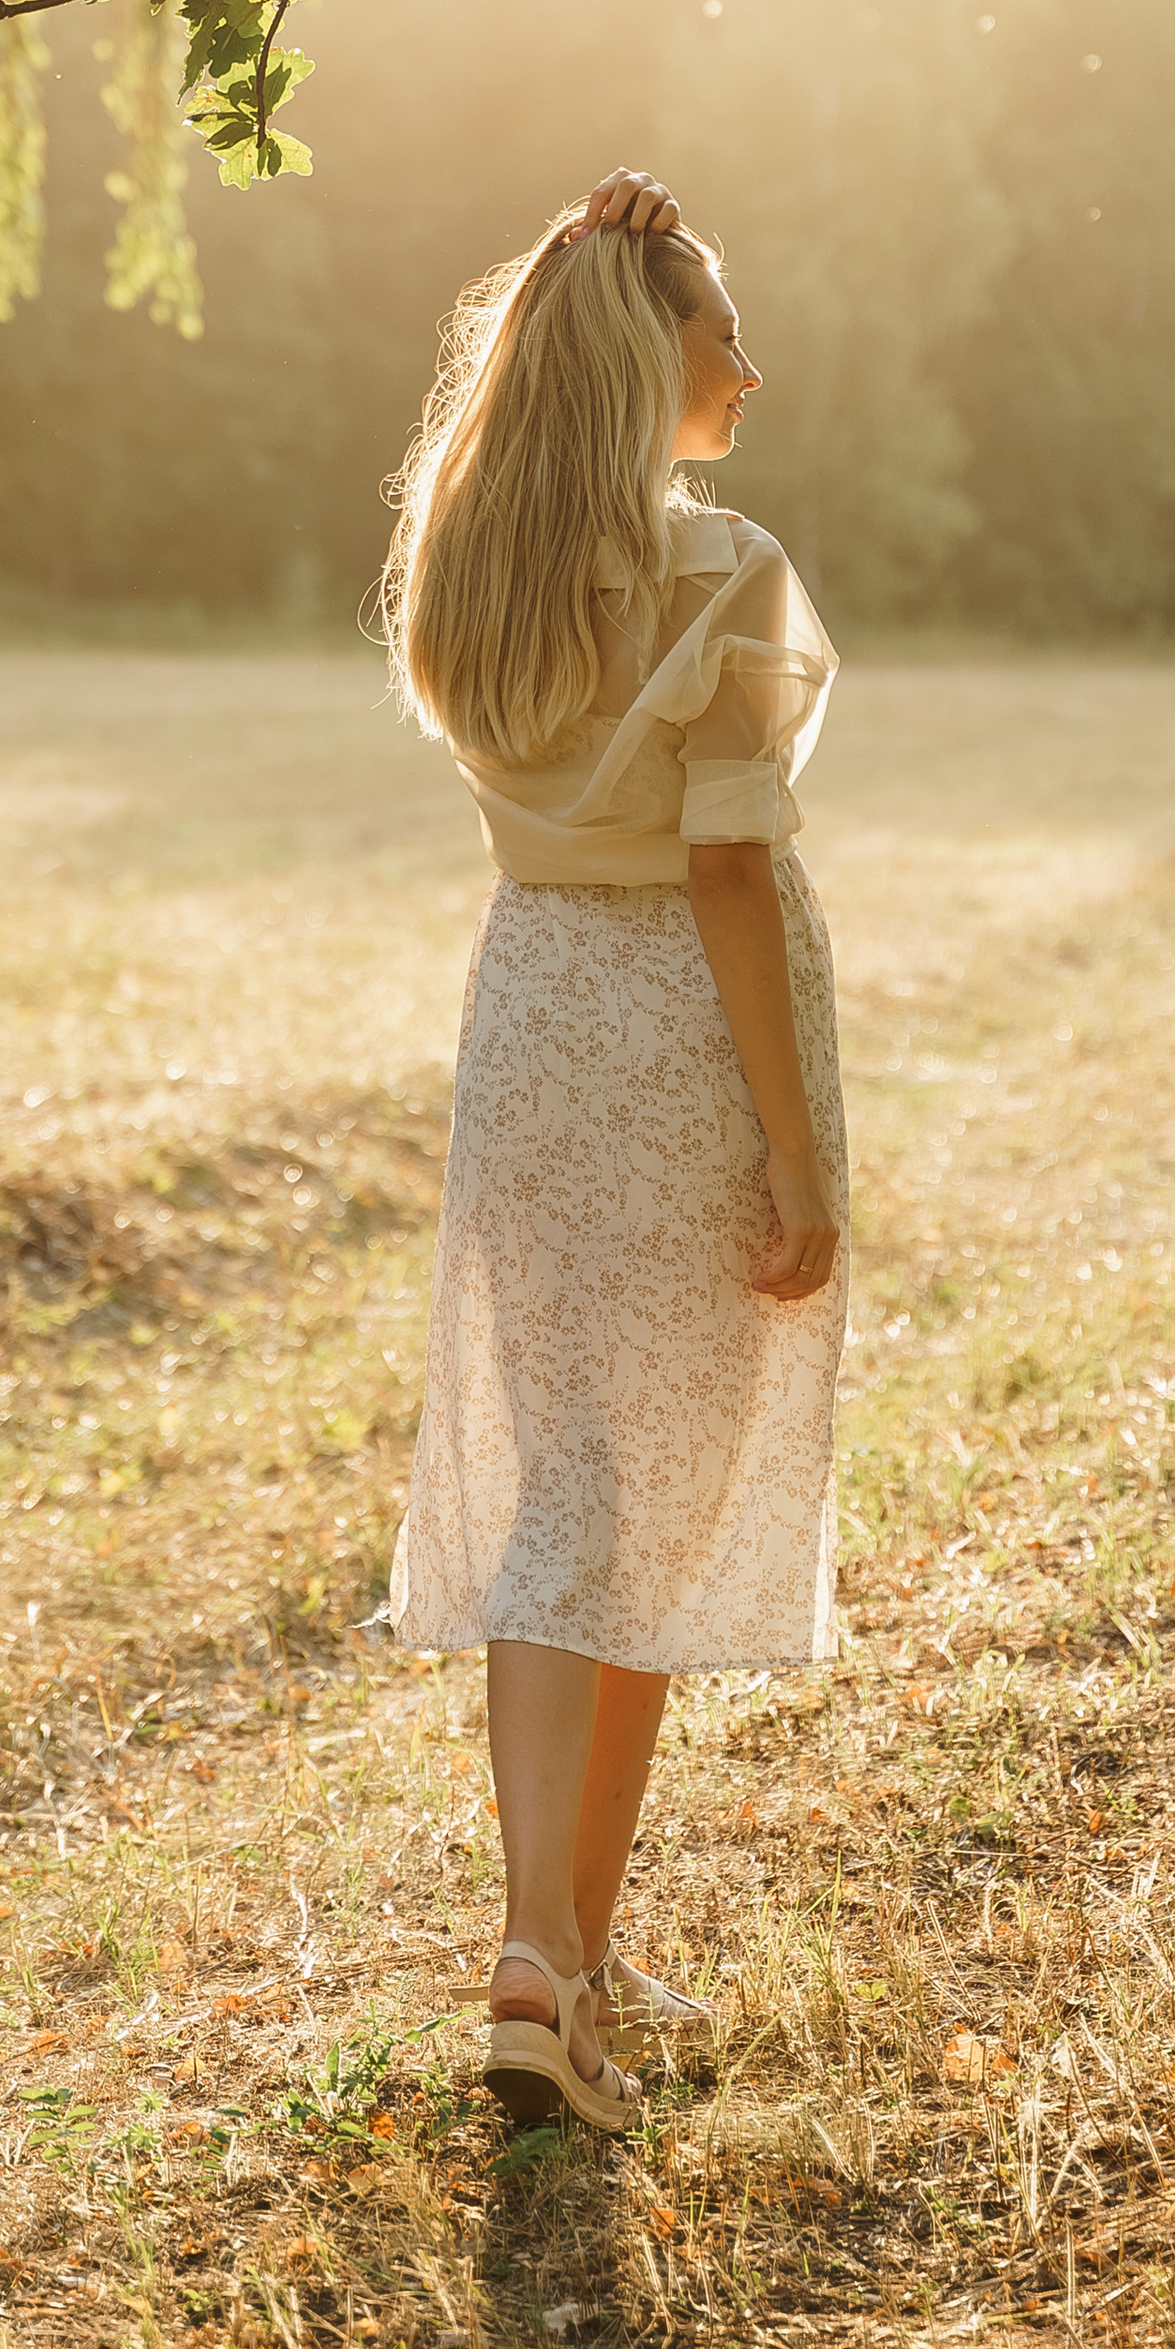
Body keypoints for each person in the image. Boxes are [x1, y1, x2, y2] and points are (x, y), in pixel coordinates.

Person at [381, 167, 848, 2135]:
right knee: (636, 1500)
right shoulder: (719, 567)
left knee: (565, 1488)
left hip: (530, 1019)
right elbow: (726, 868)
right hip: (672, 1031)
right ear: (654, 362)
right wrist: (795, 1149)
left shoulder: (469, 556)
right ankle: (547, 1952)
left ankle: (555, 1946)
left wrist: (595, 260)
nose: (752, 364)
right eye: (724, 328)